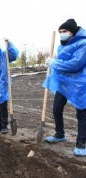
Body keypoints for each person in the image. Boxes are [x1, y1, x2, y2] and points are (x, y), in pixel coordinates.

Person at [43, 19, 86, 156]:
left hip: (80, 83)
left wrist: (55, 63)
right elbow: (61, 62)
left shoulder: (83, 44)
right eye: (60, 32)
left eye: (65, 31)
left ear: (72, 32)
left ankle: (81, 143)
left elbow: (76, 64)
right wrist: (51, 66)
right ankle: (59, 134)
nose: (62, 34)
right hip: (64, 82)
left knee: (82, 114)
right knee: (56, 109)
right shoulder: (62, 45)